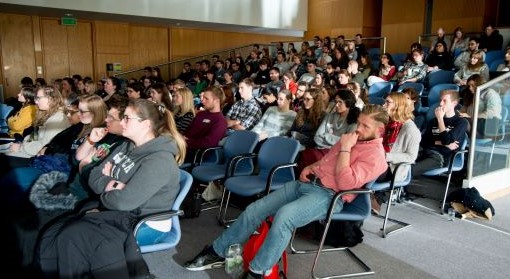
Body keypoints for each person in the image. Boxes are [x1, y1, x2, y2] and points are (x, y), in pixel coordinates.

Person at [183, 105, 389, 278]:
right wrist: (312, 166)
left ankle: (257, 271)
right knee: (255, 209)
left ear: (379, 131)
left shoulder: (376, 157)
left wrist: (345, 147)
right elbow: (328, 160)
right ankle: (217, 251)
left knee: (284, 218)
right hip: (308, 183)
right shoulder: (354, 138)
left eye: (365, 126)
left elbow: (346, 182)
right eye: (359, 122)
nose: (358, 128)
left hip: (328, 195)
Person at [38, 99, 186, 278]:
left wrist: (109, 187)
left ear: (146, 124)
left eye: (126, 118)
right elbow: (94, 174)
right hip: (118, 212)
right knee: (58, 232)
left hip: (144, 221)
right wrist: (112, 184)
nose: (121, 122)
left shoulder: (159, 161)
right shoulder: (127, 145)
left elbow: (123, 202)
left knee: (74, 236)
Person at [0, 86, 69, 175]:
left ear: (51, 99)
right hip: (30, 150)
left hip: (39, 157)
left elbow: (43, 146)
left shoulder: (58, 119)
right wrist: (22, 144)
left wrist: (21, 147)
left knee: (2, 161)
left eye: (38, 98)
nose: (35, 101)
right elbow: (34, 135)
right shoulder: (47, 114)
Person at [371, 92, 421, 214]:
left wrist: (387, 156)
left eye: (388, 102)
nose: (384, 105)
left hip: (393, 167)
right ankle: (368, 198)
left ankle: (366, 198)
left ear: (398, 106)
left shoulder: (411, 129)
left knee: (368, 168)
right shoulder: (387, 123)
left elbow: (411, 157)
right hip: (378, 161)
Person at [411, 90, 468, 185]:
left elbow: (446, 140)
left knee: (409, 169)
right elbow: (423, 141)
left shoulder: (461, 122)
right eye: (440, 100)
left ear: (454, 103)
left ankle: (395, 190)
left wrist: (440, 120)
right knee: (399, 163)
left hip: (439, 157)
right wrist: (442, 143)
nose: (441, 104)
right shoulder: (433, 121)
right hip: (423, 150)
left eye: (445, 101)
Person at [297, 89, 359, 174]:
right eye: (335, 102)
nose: (336, 105)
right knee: (303, 155)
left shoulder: (353, 121)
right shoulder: (329, 116)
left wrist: (326, 135)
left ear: (348, 103)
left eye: (340, 102)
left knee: (309, 156)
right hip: (320, 149)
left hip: (337, 155)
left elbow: (346, 143)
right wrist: (336, 141)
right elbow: (317, 137)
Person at [184, 86, 228, 163]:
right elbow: (188, 132)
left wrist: (186, 142)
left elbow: (208, 143)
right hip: (185, 148)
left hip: (198, 155)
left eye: (206, 98)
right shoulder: (201, 114)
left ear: (216, 101)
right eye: (203, 97)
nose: (202, 101)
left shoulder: (220, 121)